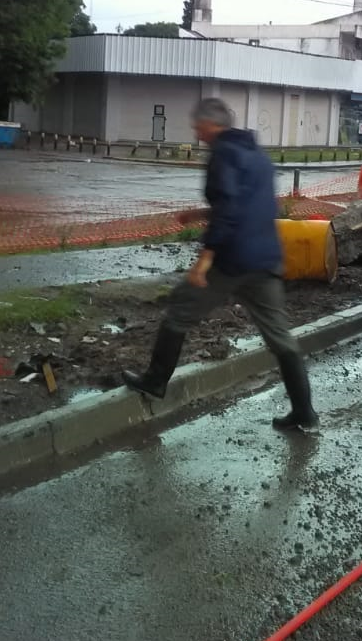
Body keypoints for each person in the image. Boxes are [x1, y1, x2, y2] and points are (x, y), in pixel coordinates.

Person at [120, 98, 318, 431]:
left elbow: (228, 208)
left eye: (198, 128)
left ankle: (155, 381)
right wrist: (198, 214)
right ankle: (305, 414)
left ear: (211, 125)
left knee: (180, 309)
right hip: (265, 258)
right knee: (281, 338)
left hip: (231, 259)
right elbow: (250, 205)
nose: (197, 135)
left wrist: (204, 260)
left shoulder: (222, 154)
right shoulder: (257, 156)